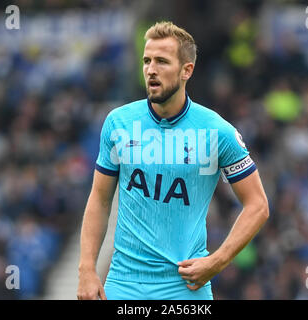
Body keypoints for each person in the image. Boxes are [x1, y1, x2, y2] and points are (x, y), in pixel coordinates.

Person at [77, 21, 269, 300]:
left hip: (185, 288)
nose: (151, 69)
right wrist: (87, 269)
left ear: (186, 71)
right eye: (147, 60)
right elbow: (100, 198)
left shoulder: (216, 132)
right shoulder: (118, 123)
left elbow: (258, 205)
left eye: (162, 62)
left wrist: (217, 262)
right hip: (124, 285)